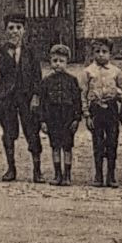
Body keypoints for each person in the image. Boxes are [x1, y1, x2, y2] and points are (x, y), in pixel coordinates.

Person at [0, 14, 44, 182]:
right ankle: (11, 169)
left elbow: (37, 75)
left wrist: (36, 96)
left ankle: (37, 171)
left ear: (24, 30)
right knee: (8, 132)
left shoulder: (31, 50)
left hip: (26, 96)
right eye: (11, 28)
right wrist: (11, 51)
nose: (15, 31)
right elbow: (2, 68)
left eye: (18, 28)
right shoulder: (1, 50)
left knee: (32, 131)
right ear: (5, 30)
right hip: (8, 97)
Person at [83, 38, 122, 187]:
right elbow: (83, 94)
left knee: (112, 142)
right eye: (97, 51)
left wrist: (121, 96)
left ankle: (111, 175)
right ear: (92, 53)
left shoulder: (116, 71)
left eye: (104, 52)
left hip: (111, 109)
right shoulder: (88, 72)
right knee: (97, 142)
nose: (101, 55)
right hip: (96, 109)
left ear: (110, 53)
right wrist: (87, 115)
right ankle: (98, 175)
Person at [37, 44, 82, 187]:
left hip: (67, 117)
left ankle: (67, 175)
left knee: (67, 146)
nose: (58, 64)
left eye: (61, 61)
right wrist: (43, 120)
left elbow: (77, 101)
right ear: (50, 62)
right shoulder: (46, 82)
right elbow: (42, 102)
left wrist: (76, 118)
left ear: (67, 62)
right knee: (55, 146)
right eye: (55, 61)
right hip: (53, 117)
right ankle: (57, 174)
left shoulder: (72, 80)